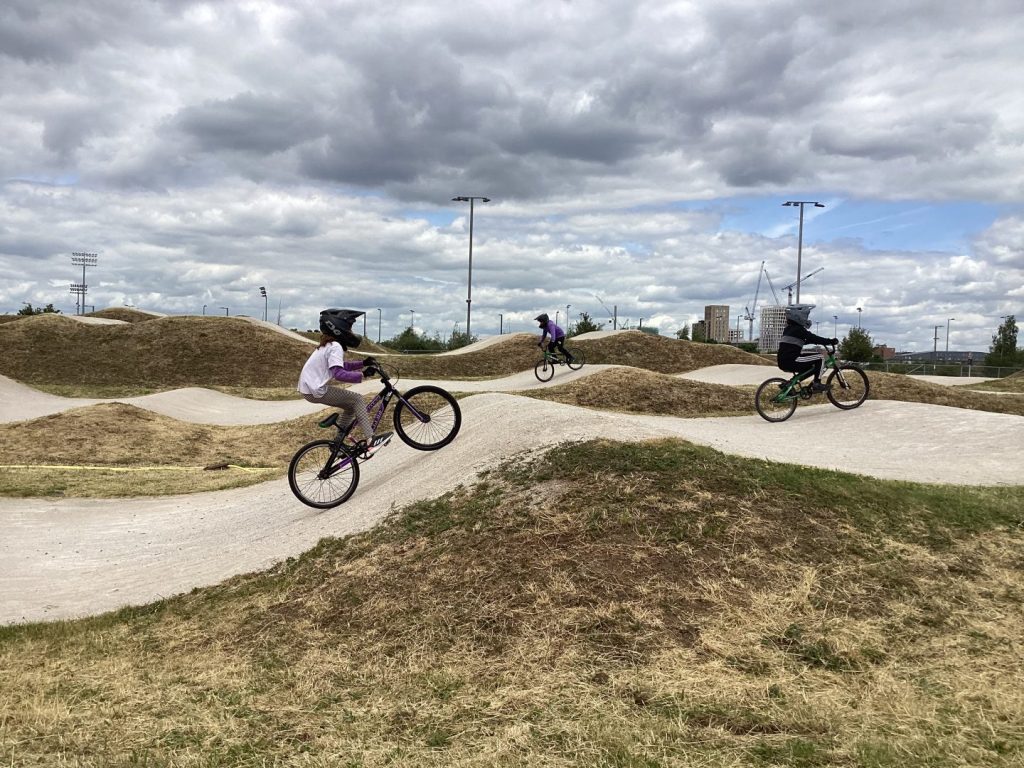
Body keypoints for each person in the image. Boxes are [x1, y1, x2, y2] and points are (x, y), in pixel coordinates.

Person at [297, 308, 392, 457]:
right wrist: (363, 374)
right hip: (315, 390)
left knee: (350, 406)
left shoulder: (328, 345)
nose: (351, 332)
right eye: (349, 328)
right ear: (339, 327)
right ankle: (371, 440)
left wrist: (363, 363)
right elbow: (339, 374)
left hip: (309, 389)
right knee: (357, 399)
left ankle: (337, 444)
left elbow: (341, 366)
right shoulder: (335, 347)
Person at [776, 304, 839, 393]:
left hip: (782, 361)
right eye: (805, 316)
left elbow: (804, 341)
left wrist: (814, 341)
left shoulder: (788, 329)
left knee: (812, 365)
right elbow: (813, 338)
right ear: (799, 317)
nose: (806, 319)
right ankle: (817, 384)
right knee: (820, 357)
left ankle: (788, 385)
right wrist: (830, 341)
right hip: (793, 360)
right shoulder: (799, 330)